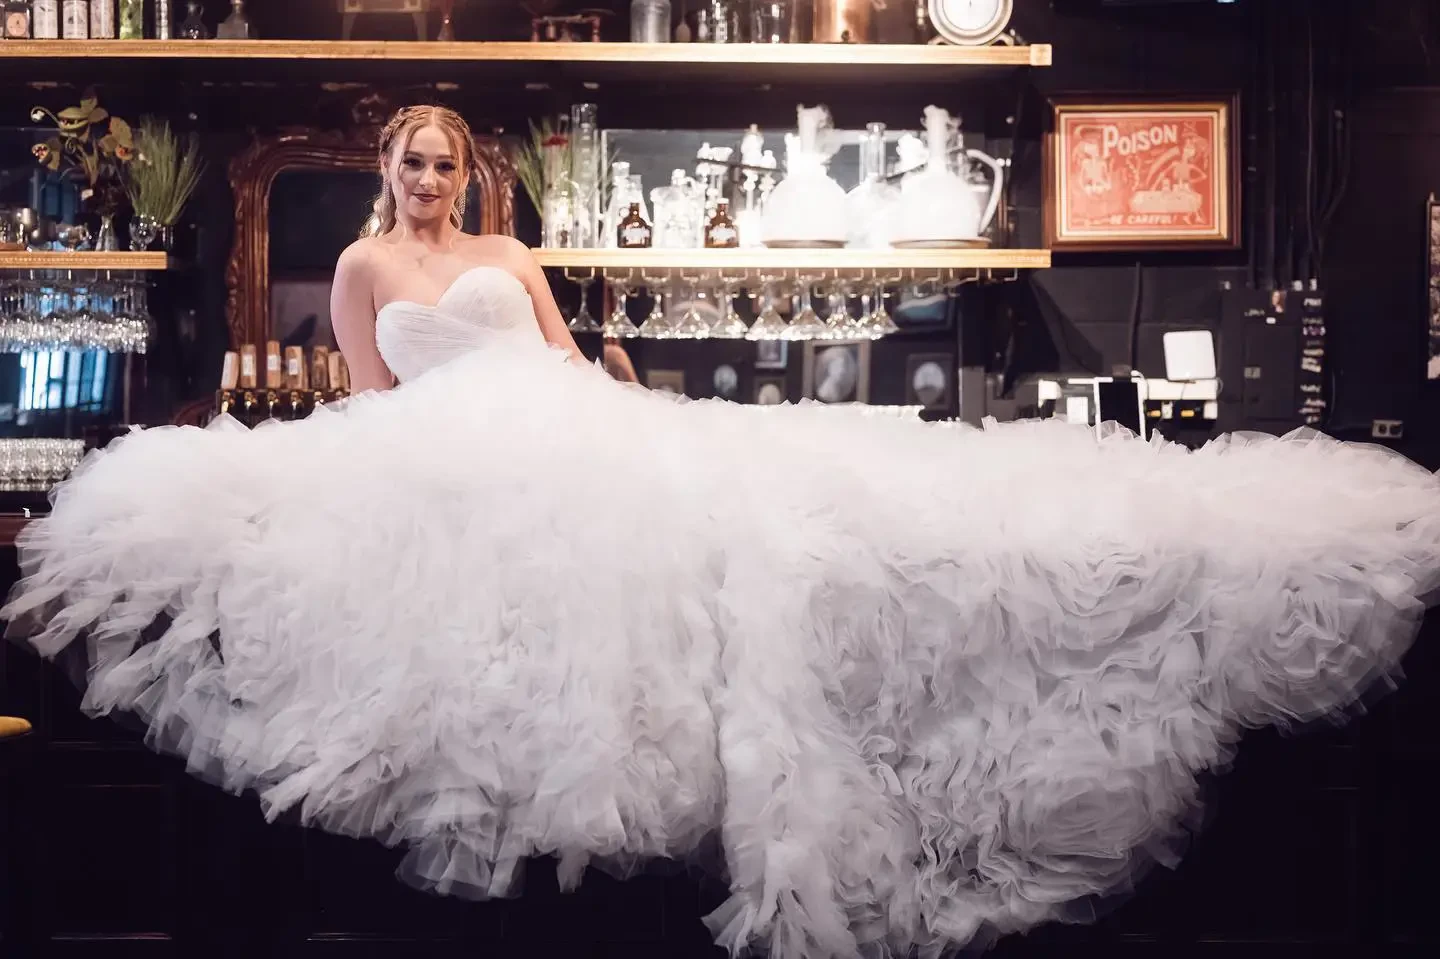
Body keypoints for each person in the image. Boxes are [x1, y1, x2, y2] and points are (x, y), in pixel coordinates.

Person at [5, 104, 1440, 959]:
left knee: (739, 542)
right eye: (413, 163)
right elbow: (370, 395)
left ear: (466, 171)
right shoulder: (363, 260)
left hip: (557, 428)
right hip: (439, 461)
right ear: (388, 168)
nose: (429, 181)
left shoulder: (508, 251)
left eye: (444, 164)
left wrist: (621, 392)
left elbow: (561, 357)